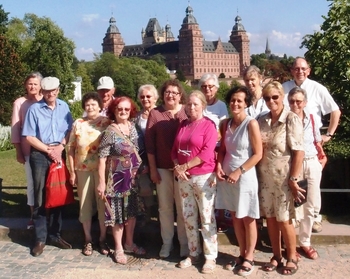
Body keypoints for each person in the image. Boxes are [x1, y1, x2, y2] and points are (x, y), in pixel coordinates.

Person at [282, 57, 341, 233]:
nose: (299, 71)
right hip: (290, 144)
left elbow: (335, 111)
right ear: (291, 70)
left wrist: (328, 134)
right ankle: (298, 219)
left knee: (313, 184)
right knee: (295, 182)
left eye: (303, 68)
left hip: (311, 144)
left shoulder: (317, 88)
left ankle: (315, 217)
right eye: (296, 68)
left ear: (309, 70)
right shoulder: (284, 88)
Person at [22, 76, 73, 257]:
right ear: (42, 92)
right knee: (40, 196)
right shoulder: (34, 110)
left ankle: (55, 234)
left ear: (58, 90)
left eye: (53, 91)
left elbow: (69, 130)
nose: (50, 94)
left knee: (58, 194)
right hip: (40, 154)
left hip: (59, 152)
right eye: (47, 91)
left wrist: (60, 147)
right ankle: (40, 238)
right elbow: (29, 136)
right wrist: (48, 150)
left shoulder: (64, 107)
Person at [257, 81, 304, 275]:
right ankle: (276, 255)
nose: (271, 101)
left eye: (274, 97)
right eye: (267, 98)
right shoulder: (261, 120)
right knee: (271, 219)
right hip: (266, 179)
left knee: (285, 220)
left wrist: (293, 179)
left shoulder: (291, 119)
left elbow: (299, 152)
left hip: (284, 179)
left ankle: (291, 256)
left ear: (282, 96)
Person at [216, 86, 262, 276]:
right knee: (235, 216)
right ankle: (241, 254)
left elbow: (258, 154)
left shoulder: (251, 124)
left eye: (239, 101)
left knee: (248, 218)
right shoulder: (225, 123)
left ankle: (249, 256)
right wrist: (218, 165)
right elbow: (222, 150)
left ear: (246, 103)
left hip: (245, 177)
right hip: (227, 177)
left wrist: (239, 171)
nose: (235, 103)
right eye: (233, 100)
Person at [171, 90, 217, 274]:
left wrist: (185, 166)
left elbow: (207, 152)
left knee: (206, 217)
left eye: (195, 104)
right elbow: (174, 149)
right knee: (188, 217)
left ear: (203, 106)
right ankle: (193, 252)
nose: (191, 107)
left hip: (203, 176)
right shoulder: (183, 125)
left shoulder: (209, 126)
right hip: (184, 178)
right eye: (189, 104)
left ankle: (210, 256)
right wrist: (177, 166)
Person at [97, 96, 145, 265]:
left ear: (130, 110)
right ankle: (118, 247)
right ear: (114, 111)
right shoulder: (110, 131)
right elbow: (102, 158)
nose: (123, 112)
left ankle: (129, 243)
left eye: (126, 109)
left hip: (132, 178)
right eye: (120, 109)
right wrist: (101, 182)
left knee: (131, 212)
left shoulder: (134, 128)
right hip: (116, 179)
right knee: (118, 215)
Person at [145, 79, 188, 259]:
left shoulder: (187, 111)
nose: (170, 95)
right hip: (162, 168)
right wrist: (153, 169)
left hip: (183, 169)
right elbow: (150, 145)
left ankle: (185, 243)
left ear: (180, 95)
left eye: (174, 92)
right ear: (163, 94)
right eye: (167, 92)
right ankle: (167, 243)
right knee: (165, 208)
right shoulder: (155, 114)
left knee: (183, 207)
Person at [67, 92, 111, 256]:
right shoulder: (78, 123)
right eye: (87, 104)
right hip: (83, 170)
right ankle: (87, 240)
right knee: (85, 205)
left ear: (100, 106)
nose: (90, 107)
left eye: (94, 104)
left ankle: (102, 238)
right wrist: (72, 172)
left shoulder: (106, 123)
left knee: (102, 205)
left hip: (102, 171)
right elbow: (71, 148)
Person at [288, 87, 326, 260]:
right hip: (294, 163)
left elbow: (317, 140)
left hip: (311, 161)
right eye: (292, 101)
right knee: (293, 205)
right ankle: (290, 243)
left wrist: (321, 161)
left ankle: (305, 241)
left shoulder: (310, 117)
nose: (295, 104)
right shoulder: (286, 119)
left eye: (298, 101)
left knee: (311, 204)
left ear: (305, 102)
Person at [11, 72, 43, 230]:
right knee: (32, 183)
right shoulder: (20, 103)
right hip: (27, 148)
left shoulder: (44, 101)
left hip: (45, 149)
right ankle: (33, 215)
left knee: (46, 184)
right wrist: (18, 150)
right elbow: (16, 127)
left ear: (40, 86)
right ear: (25, 85)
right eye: (30, 83)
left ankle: (46, 214)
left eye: (35, 84)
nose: (33, 86)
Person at [198, 73, 229, 232]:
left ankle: (221, 217)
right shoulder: (197, 104)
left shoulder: (221, 106)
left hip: (216, 149)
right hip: (199, 151)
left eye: (210, 86)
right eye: (204, 87)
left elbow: (223, 129)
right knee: (203, 185)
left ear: (216, 88)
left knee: (218, 184)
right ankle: (203, 217)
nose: (207, 89)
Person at [135, 84, 159, 223]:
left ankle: (162, 219)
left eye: (148, 96)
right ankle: (147, 217)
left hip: (160, 157)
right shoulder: (137, 117)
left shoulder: (162, 114)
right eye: (142, 97)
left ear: (155, 98)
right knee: (145, 189)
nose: (145, 99)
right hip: (142, 158)